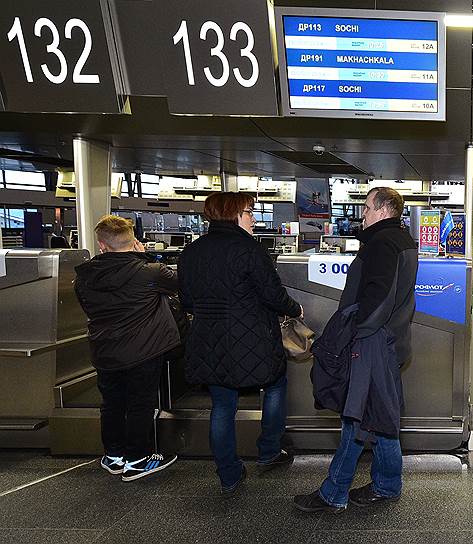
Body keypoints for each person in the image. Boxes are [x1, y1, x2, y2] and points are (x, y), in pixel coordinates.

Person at [294, 186, 418, 514]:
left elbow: (378, 298)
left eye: (367, 207)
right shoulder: (402, 240)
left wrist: (354, 331)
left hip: (372, 342)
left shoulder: (382, 243)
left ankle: (334, 493)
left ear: (383, 209)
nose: (363, 214)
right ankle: (387, 484)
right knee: (381, 415)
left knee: (357, 416)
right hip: (391, 341)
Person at [179, 193, 303, 494]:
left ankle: (229, 473)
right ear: (233, 214)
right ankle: (269, 450)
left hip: (208, 341)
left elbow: (187, 301)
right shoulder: (250, 249)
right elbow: (273, 294)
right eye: (249, 212)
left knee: (222, 405)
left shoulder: (192, 251)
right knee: (275, 384)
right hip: (252, 339)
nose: (253, 218)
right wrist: (295, 309)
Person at [73, 215, 180, 481]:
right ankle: (138, 459)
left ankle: (114, 455)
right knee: (140, 403)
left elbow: (88, 308)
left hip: (104, 350)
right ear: (134, 242)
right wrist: (143, 257)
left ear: (101, 245)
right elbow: (178, 285)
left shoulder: (84, 276)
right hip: (144, 350)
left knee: (111, 403)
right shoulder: (150, 272)